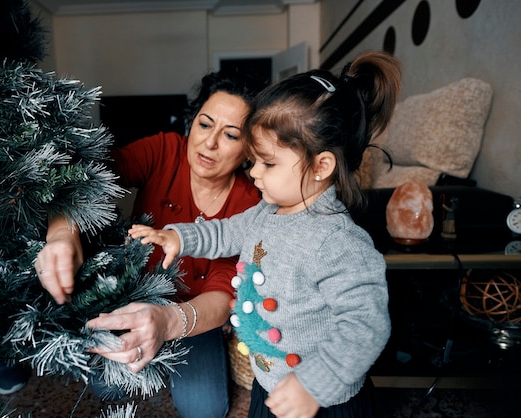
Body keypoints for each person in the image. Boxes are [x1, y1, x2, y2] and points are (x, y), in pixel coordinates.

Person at [127, 50, 402, 418]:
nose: (254, 173)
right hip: (270, 382)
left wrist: (314, 384)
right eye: (254, 160)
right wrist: (182, 237)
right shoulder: (267, 210)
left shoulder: (338, 242)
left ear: (321, 166)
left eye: (267, 163)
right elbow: (227, 231)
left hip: (320, 399)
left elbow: (365, 324)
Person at [35, 70, 267, 417]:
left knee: (206, 410)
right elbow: (85, 175)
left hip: (193, 316)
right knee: (106, 387)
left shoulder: (251, 202)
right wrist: (62, 233)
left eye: (231, 135)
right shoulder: (164, 150)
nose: (210, 143)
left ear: (249, 151)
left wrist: (169, 322)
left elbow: (223, 293)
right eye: (205, 125)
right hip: (135, 296)